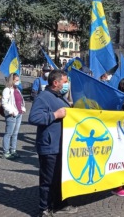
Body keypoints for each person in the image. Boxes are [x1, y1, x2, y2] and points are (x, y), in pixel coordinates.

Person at [28, 70, 78, 217]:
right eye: (64, 81)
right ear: (55, 83)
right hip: (49, 146)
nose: (66, 84)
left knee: (59, 178)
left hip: (61, 145)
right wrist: (55, 115)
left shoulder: (59, 97)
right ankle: (44, 209)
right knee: (48, 179)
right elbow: (34, 117)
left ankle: (58, 204)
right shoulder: (43, 97)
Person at [2, 73, 26, 159]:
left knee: (15, 134)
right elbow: (4, 103)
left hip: (19, 114)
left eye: (18, 80)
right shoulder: (7, 90)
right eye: (16, 80)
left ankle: (13, 150)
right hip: (12, 114)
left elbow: (20, 101)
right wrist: (10, 111)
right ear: (12, 80)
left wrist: (22, 108)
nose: (18, 82)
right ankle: (6, 152)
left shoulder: (17, 90)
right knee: (9, 133)